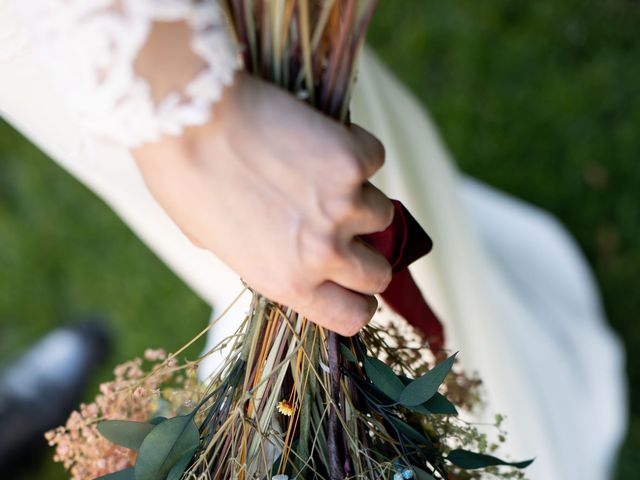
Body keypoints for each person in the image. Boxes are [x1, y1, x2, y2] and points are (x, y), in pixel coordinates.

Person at [0, 1, 627, 479]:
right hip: (97, 65)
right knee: (282, 241)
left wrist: (193, 130)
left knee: (341, 189)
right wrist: (187, 138)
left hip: (176, 67)